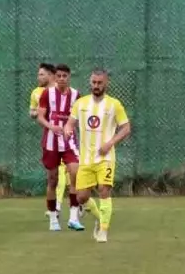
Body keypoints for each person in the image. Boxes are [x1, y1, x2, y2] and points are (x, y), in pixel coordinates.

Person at [63, 69, 130, 243]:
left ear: (106, 83)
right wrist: (68, 130)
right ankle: (100, 218)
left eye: (100, 83)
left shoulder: (114, 104)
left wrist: (110, 143)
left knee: (104, 190)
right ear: (90, 82)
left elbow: (126, 128)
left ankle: (104, 231)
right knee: (81, 197)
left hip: (105, 159)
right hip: (86, 159)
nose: (96, 86)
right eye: (94, 82)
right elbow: (70, 123)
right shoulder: (81, 104)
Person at [36, 64, 84, 232]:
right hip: (51, 142)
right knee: (53, 180)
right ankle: (53, 217)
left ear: (69, 77)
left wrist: (71, 127)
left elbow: (79, 118)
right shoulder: (47, 94)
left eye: (65, 75)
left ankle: (73, 217)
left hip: (69, 142)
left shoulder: (76, 95)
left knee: (75, 173)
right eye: (59, 76)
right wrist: (51, 126)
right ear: (55, 78)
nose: (62, 78)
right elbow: (40, 117)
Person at [29, 62, 67, 216]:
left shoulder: (62, 90)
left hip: (65, 136)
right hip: (50, 136)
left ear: (51, 75)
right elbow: (32, 112)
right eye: (38, 74)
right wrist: (36, 113)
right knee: (55, 174)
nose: (38, 77)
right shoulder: (36, 93)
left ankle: (58, 205)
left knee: (65, 171)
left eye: (42, 74)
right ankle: (79, 205)